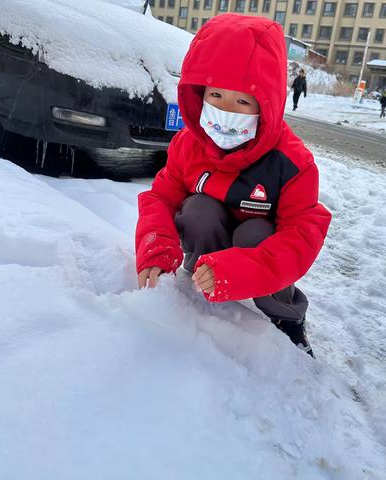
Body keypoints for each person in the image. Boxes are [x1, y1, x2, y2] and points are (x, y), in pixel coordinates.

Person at [135, 14, 331, 357]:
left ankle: (283, 315)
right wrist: (156, 249)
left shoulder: (293, 163)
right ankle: (199, 281)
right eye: (216, 95)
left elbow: (301, 235)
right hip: (211, 247)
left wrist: (241, 271)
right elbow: (161, 198)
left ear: (266, 104)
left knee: (256, 232)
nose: (226, 110)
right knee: (197, 208)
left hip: (257, 252)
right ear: (199, 95)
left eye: (242, 101)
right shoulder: (188, 144)